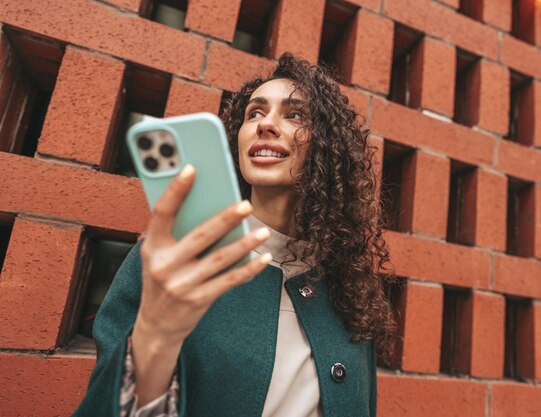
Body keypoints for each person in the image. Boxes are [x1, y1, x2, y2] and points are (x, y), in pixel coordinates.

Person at [72, 53, 398, 417]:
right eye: (254, 113)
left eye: (294, 114)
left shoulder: (349, 289)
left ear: (329, 148)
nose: (266, 124)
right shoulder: (175, 261)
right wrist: (154, 335)